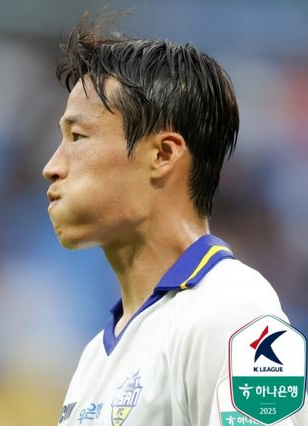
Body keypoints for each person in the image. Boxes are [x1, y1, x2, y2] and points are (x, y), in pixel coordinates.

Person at [43, 16, 307, 426]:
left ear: (163, 154)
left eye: (78, 137)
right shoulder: (96, 355)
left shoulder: (236, 311)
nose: (52, 167)